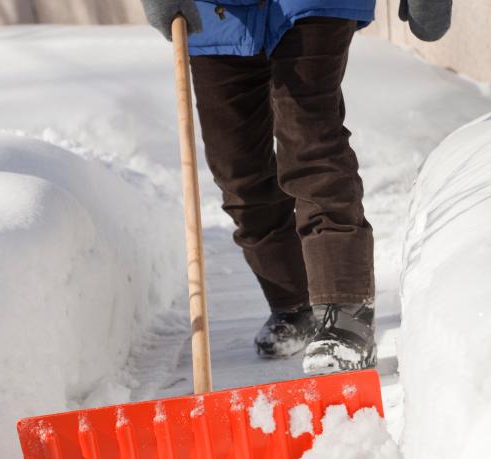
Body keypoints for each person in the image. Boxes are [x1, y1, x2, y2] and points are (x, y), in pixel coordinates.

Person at [141, 0, 452, 372]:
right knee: (237, 166)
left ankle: (344, 310)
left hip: (314, 5)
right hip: (215, 10)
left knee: (310, 143)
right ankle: (293, 301)